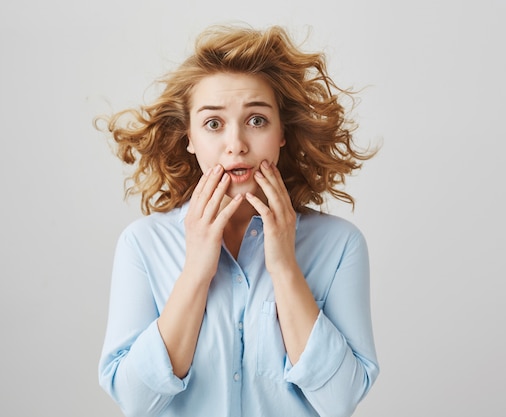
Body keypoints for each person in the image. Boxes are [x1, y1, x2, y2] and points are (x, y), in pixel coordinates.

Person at [97, 23, 380, 417]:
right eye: (213, 124)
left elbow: (339, 402)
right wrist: (196, 270)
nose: (237, 144)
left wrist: (283, 266)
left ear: (282, 131)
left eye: (257, 120)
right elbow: (135, 401)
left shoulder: (340, 245)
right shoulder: (142, 244)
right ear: (190, 138)